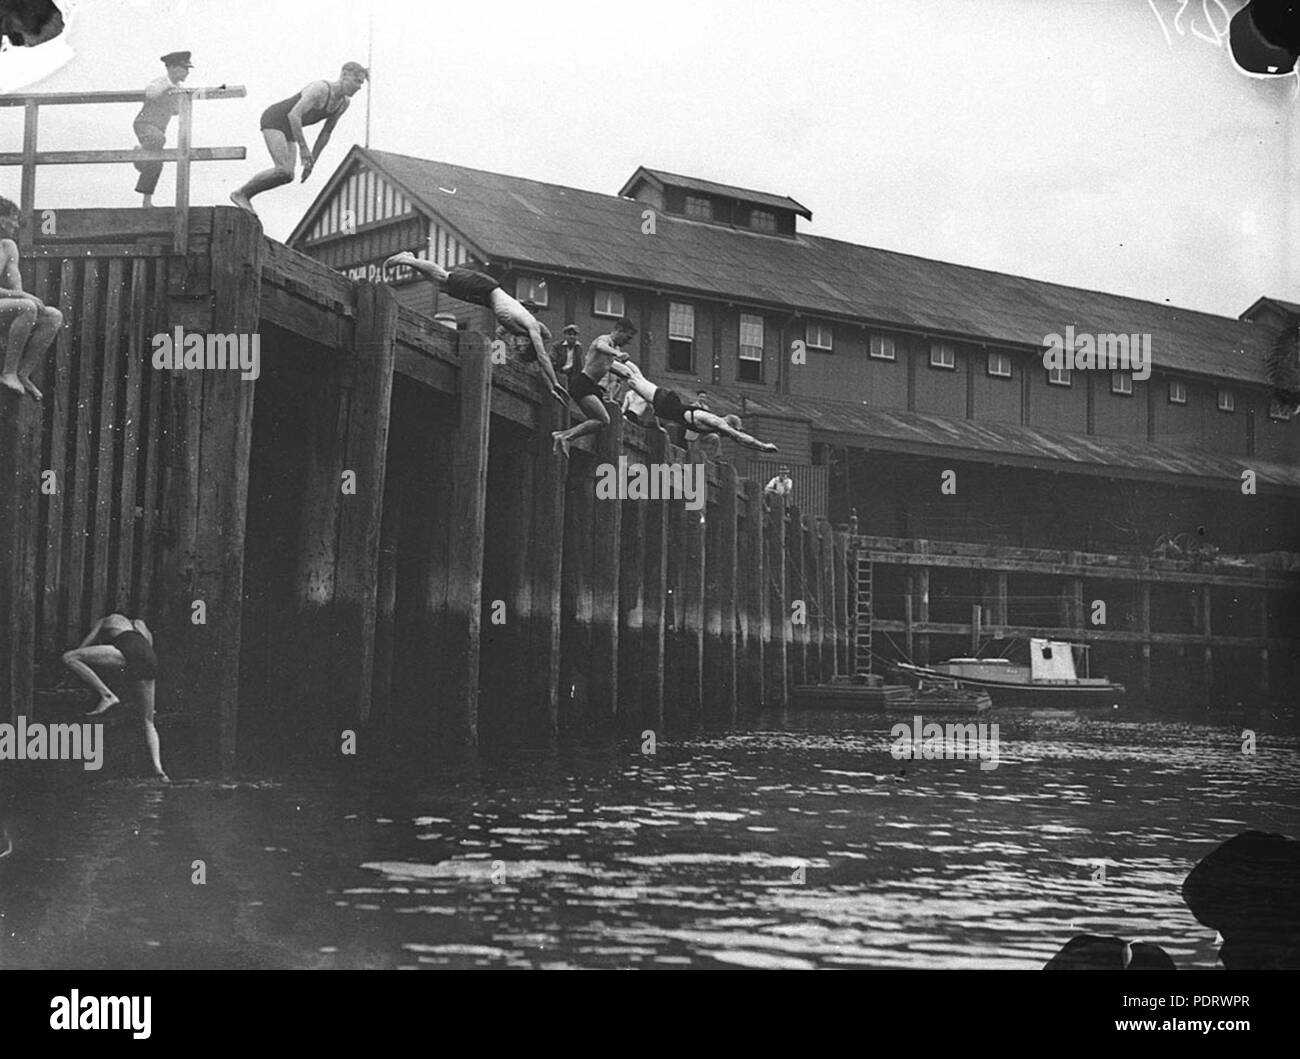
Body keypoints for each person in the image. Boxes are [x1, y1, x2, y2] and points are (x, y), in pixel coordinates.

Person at [382, 253, 568, 403]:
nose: (515, 346)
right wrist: (556, 381)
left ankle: (412, 261)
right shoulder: (531, 325)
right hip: (486, 288)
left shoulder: (513, 330)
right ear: (527, 341)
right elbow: (543, 353)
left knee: (442, 287)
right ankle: (406, 259)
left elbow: (527, 353)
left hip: (484, 298)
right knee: (443, 277)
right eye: (520, 346)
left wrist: (551, 387)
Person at [229, 62, 368, 218]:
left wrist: (312, 161)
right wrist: (303, 148)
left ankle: (245, 195)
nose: (359, 87)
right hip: (275, 119)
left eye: (361, 83)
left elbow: (326, 132)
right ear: (344, 75)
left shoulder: (343, 103)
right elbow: (294, 115)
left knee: (287, 175)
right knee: (282, 169)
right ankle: (240, 193)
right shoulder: (320, 89)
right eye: (356, 81)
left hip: (290, 128)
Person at [61, 613, 168, 782]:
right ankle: (159, 769)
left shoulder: (105, 621)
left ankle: (107, 695)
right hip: (150, 658)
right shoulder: (140, 625)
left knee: (69, 657)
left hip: (128, 650)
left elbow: (85, 644)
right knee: (149, 722)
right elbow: (144, 655)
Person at [609, 359, 779, 453]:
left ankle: (617, 357)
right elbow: (739, 437)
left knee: (636, 376)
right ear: (727, 423)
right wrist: (762, 446)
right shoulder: (714, 421)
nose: (727, 435)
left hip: (667, 403)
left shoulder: (711, 426)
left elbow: (738, 437)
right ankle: (605, 359)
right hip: (666, 402)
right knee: (632, 379)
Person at [0, 196, 63, 400]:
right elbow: (19, 296)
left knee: (53, 315)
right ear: (2, 220)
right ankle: (8, 372)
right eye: (14, 219)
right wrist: (21, 298)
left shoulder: (8, 247)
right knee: (26, 306)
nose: (17, 225)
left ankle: (22, 373)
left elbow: (14, 281)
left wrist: (24, 298)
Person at [550, 318, 638, 456]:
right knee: (603, 420)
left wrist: (624, 374)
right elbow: (600, 346)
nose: (628, 342)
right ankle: (565, 437)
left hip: (592, 386)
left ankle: (562, 435)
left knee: (600, 422)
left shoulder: (614, 347)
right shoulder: (604, 340)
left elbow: (605, 365)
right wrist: (618, 354)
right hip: (583, 383)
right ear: (619, 330)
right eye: (628, 337)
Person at [131, 50, 193, 209]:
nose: (186, 72)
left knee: (156, 162)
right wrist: (170, 89)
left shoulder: (179, 88)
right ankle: (140, 153)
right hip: (145, 124)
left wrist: (179, 98)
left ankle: (146, 201)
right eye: (183, 68)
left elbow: (176, 111)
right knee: (158, 141)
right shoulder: (161, 82)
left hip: (158, 128)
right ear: (171, 68)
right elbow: (151, 93)